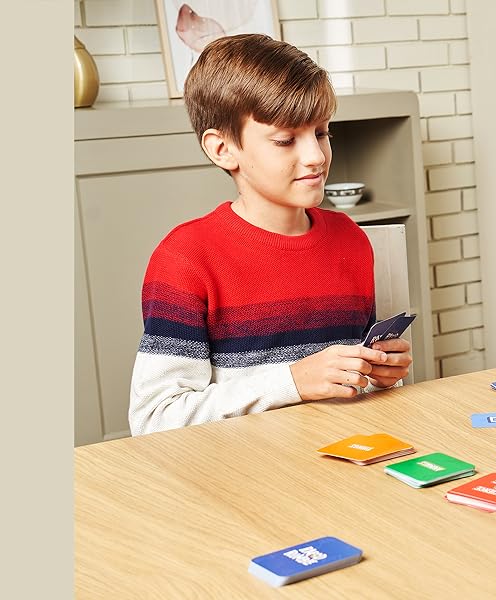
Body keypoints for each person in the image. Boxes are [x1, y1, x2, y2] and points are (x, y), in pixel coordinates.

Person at [129, 34, 412, 436]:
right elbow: (154, 419)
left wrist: (381, 373)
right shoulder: (186, 259)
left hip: (348, 459)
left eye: (321, 132)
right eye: (285, 140)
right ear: (223, 149)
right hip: (248, 476)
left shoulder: (351, 240)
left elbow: (351, 387)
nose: (315, 156)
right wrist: (292, 381)